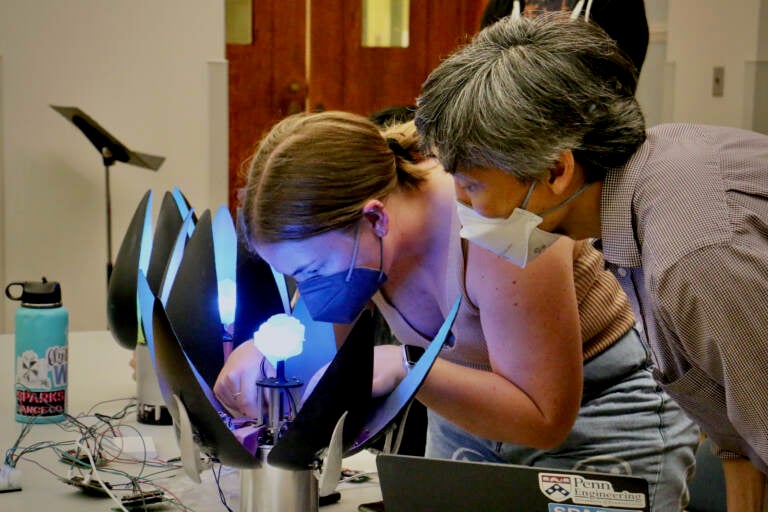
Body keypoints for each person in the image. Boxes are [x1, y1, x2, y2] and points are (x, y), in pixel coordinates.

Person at [213, 111, 699, 510]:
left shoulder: (493, 219)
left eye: (315, 269)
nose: (311, 290)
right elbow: (333, 363)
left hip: (598, 417)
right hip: (468, 418)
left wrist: (406, 367)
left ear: (375, 217)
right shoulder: (355, 246)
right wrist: (264, 362)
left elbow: (544, 417)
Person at [415, 12, 768, 511]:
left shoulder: (693, 256)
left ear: (557, 169)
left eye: (473, 186)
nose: (464, 208)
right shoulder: (641, 196)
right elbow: (740, 440)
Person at [480, 0, 649, 77]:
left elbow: (621, 85)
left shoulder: (619, 5)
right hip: (512, 132)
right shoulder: (503, 6)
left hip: (586, 136)